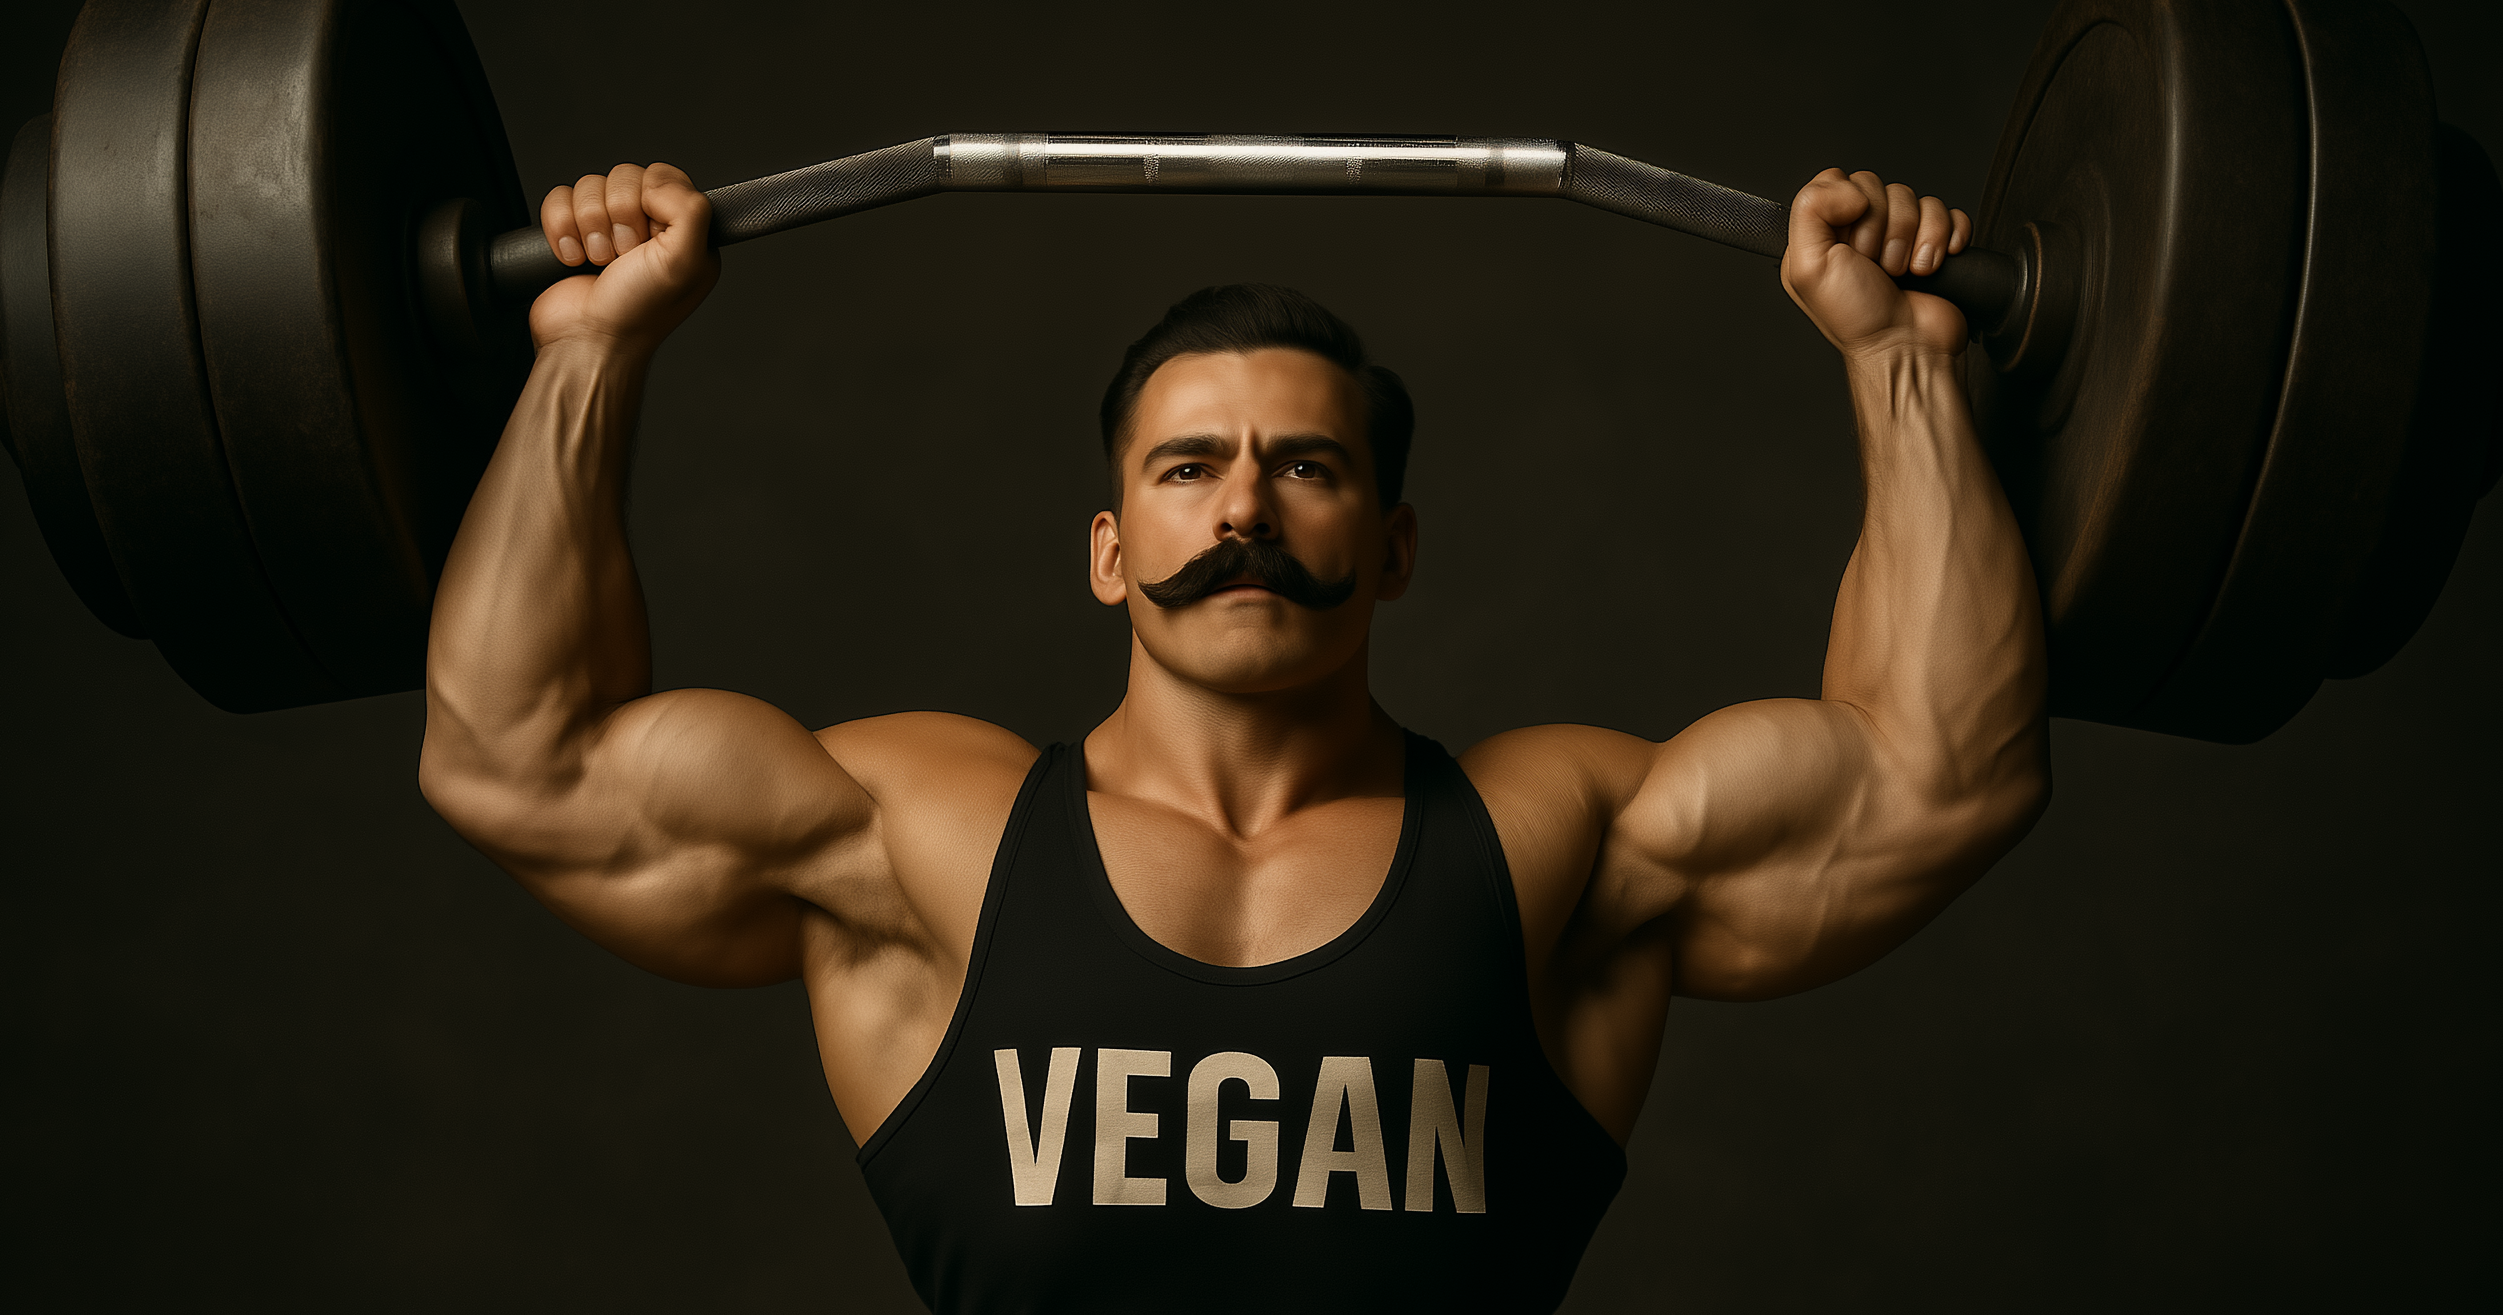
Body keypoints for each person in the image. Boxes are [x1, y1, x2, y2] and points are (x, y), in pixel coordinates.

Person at [418, 159, 2048, 1313]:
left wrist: (1900, 364)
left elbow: (1940, 768)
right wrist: (588, 352)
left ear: (1393, 547)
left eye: (1308, 469)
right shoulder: (925, 839)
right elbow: (515, 753)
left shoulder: (1549, 843)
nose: (1248, 507)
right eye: (1189, 469)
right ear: (1110, 550)